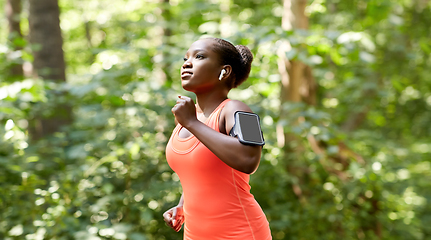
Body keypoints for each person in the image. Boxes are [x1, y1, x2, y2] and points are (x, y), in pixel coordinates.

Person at [163, 37, 272, 240]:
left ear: (225, 71)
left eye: (199, 57)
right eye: (185, 58)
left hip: (241, 233)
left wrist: (192, 123)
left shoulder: (238, 110)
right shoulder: (187, 118)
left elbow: (249, 160)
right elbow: (202, 172)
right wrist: (182, 205)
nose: (186, 63)